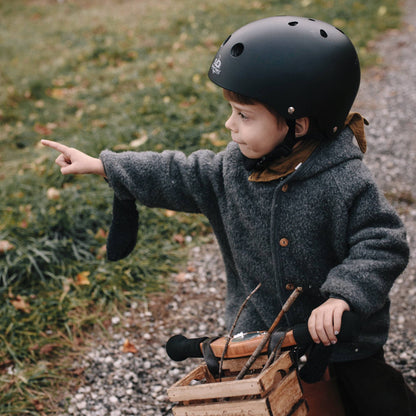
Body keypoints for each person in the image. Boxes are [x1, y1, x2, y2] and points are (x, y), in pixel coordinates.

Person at [42, 16, 415, 415]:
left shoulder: (343, 179)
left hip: (341, 339)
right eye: (232, 112)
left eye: (244, 115)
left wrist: (343, 296)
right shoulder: (232, 170)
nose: (229, 125)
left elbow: (382, 241)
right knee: (263, 403)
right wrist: (104, 165)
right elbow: (177, 173)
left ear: (298, 125)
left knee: (374, 401)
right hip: (261, 334)